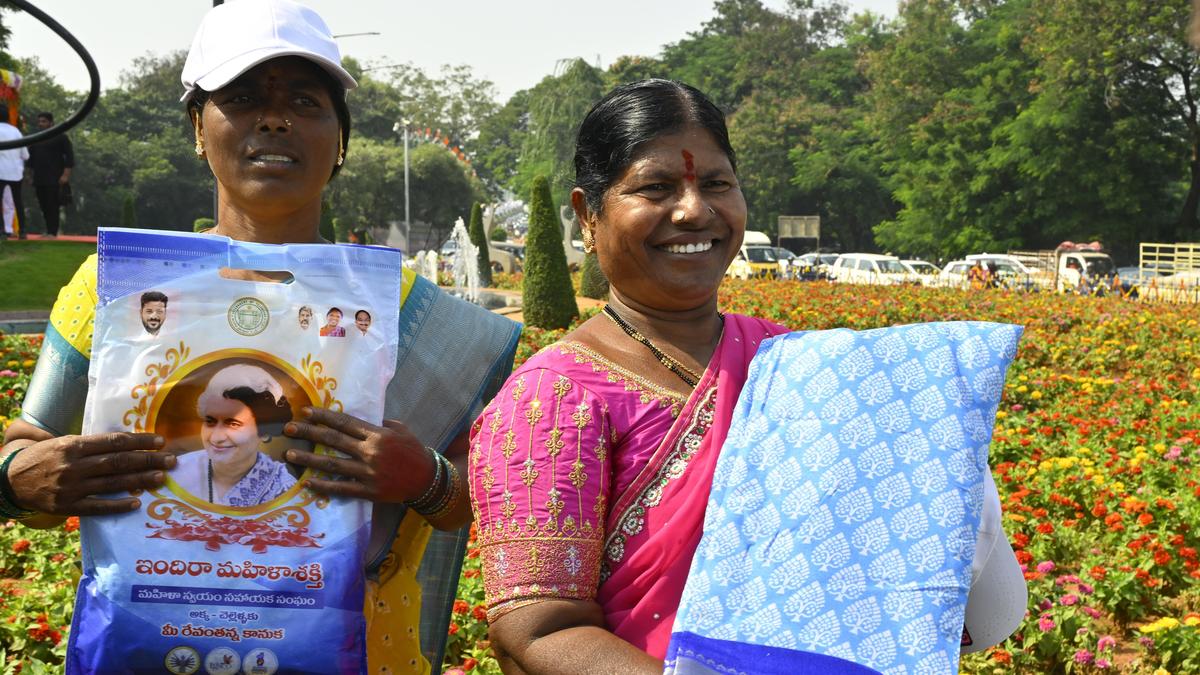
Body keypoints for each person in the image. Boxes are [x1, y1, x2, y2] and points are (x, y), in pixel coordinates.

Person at [0, 1, 520, 672]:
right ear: (197, 127)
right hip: (147, 645)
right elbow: (24, 445)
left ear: (341, 141)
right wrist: (21, 478)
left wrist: (421, 476)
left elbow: (476, 502)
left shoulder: (408, 311)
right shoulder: (119, 287)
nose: (273, 118)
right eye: (242, 97)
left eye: (305, 101)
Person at [468, 80, 1025, 672]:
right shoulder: (553, 398)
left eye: (716, 184)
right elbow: (538, 631)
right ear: (587, 214)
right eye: (655, 187)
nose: (694, 210)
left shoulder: (798, 362)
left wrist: (943, 469)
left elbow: (981, 610)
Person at [172, 364, 297, 506]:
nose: (216, 438)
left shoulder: (283, 490)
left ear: (264, 430)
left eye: (233, 424)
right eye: (210, 421)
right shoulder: (177, 472)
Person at [27, 111, 74, 237]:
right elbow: (31, 160)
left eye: (44, 121)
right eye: (39, 121)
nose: (41, 124)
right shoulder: (36, 138)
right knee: (43, 206)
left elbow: (69, 158)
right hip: (39, 178)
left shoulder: (61, 137)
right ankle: (48, 231)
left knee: (53, 205)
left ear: (51, 123)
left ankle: (52, 232)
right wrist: (30, 176)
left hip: (55, 178)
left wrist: (65, 175)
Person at [0, 103, 27, 239]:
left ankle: (2, 231)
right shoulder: (16, 131)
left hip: (1, 172)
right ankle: (23, 231)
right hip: (16, 173)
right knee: (18, 202)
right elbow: (25, 155)